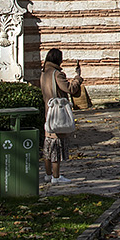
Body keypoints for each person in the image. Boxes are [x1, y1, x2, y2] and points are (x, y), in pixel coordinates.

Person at [40, 48, 83, 184]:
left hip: (48, 113)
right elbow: (69, 89)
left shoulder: (44, 74)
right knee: (56, 146)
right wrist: (78, 79)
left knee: (47, 146)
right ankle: (56, 176)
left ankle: (48, 174)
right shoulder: (57, 74)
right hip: (58, 114)